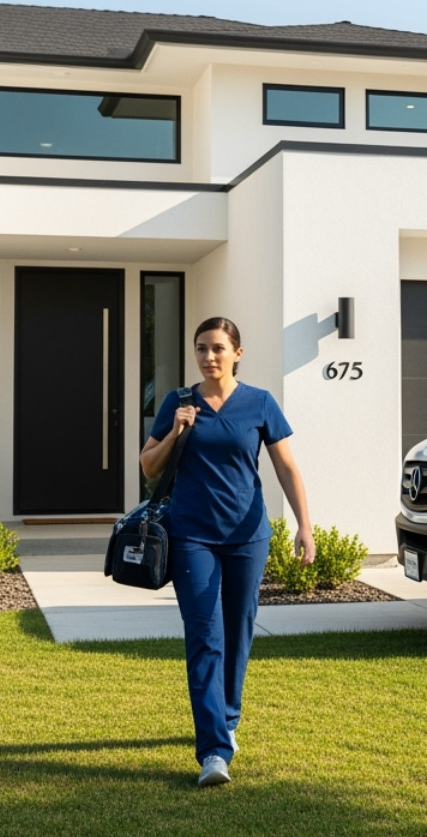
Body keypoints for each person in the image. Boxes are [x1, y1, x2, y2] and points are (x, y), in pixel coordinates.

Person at [139, 316, 315, 788]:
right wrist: (177, 431)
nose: (208, 356)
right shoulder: (179, 403)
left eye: (217, 348)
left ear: (237, 352)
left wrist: (304, 526)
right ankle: (214, 752)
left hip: (248, 537)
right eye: (201, 348)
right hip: (192, 536)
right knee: (204, 637)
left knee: (237, 632)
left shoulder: (259, 403)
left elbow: (286, 467)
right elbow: (149, 467)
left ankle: (228, 720)